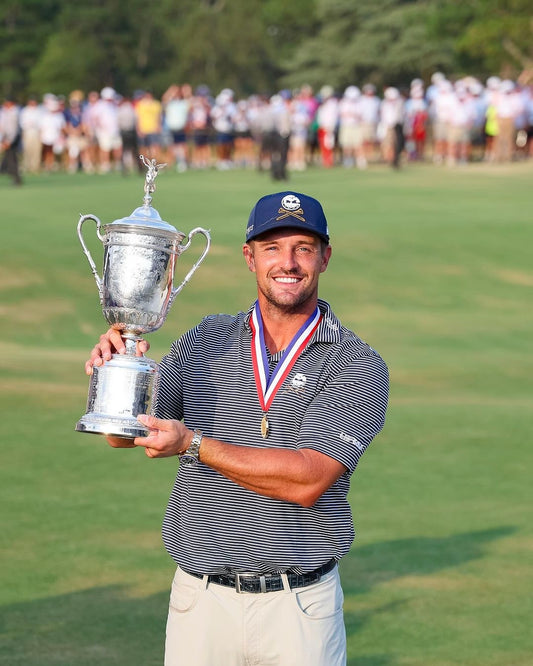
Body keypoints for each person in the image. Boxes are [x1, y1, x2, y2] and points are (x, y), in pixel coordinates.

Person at [85, 191, 389, 666]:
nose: (287, 262)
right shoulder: (205, 340)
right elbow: (127, 434)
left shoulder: (356, 362)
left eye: (303, 248)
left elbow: (309, 479)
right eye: (272, 247)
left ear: (325, 257)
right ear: (249, 257)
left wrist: (194, 444)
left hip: (299, 608)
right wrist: (120, 370)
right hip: (201, 602)